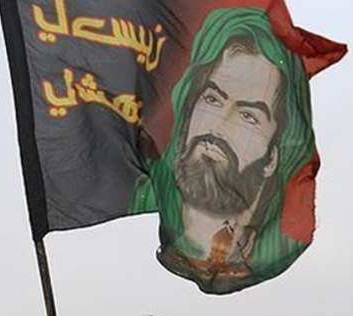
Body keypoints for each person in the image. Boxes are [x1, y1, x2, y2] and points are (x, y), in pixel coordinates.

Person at [130, 8, 316, 293]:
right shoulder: (132, 181)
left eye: (248, 116)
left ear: (272, 157)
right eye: (212, 99)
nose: (218, 126)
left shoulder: (265, 248)